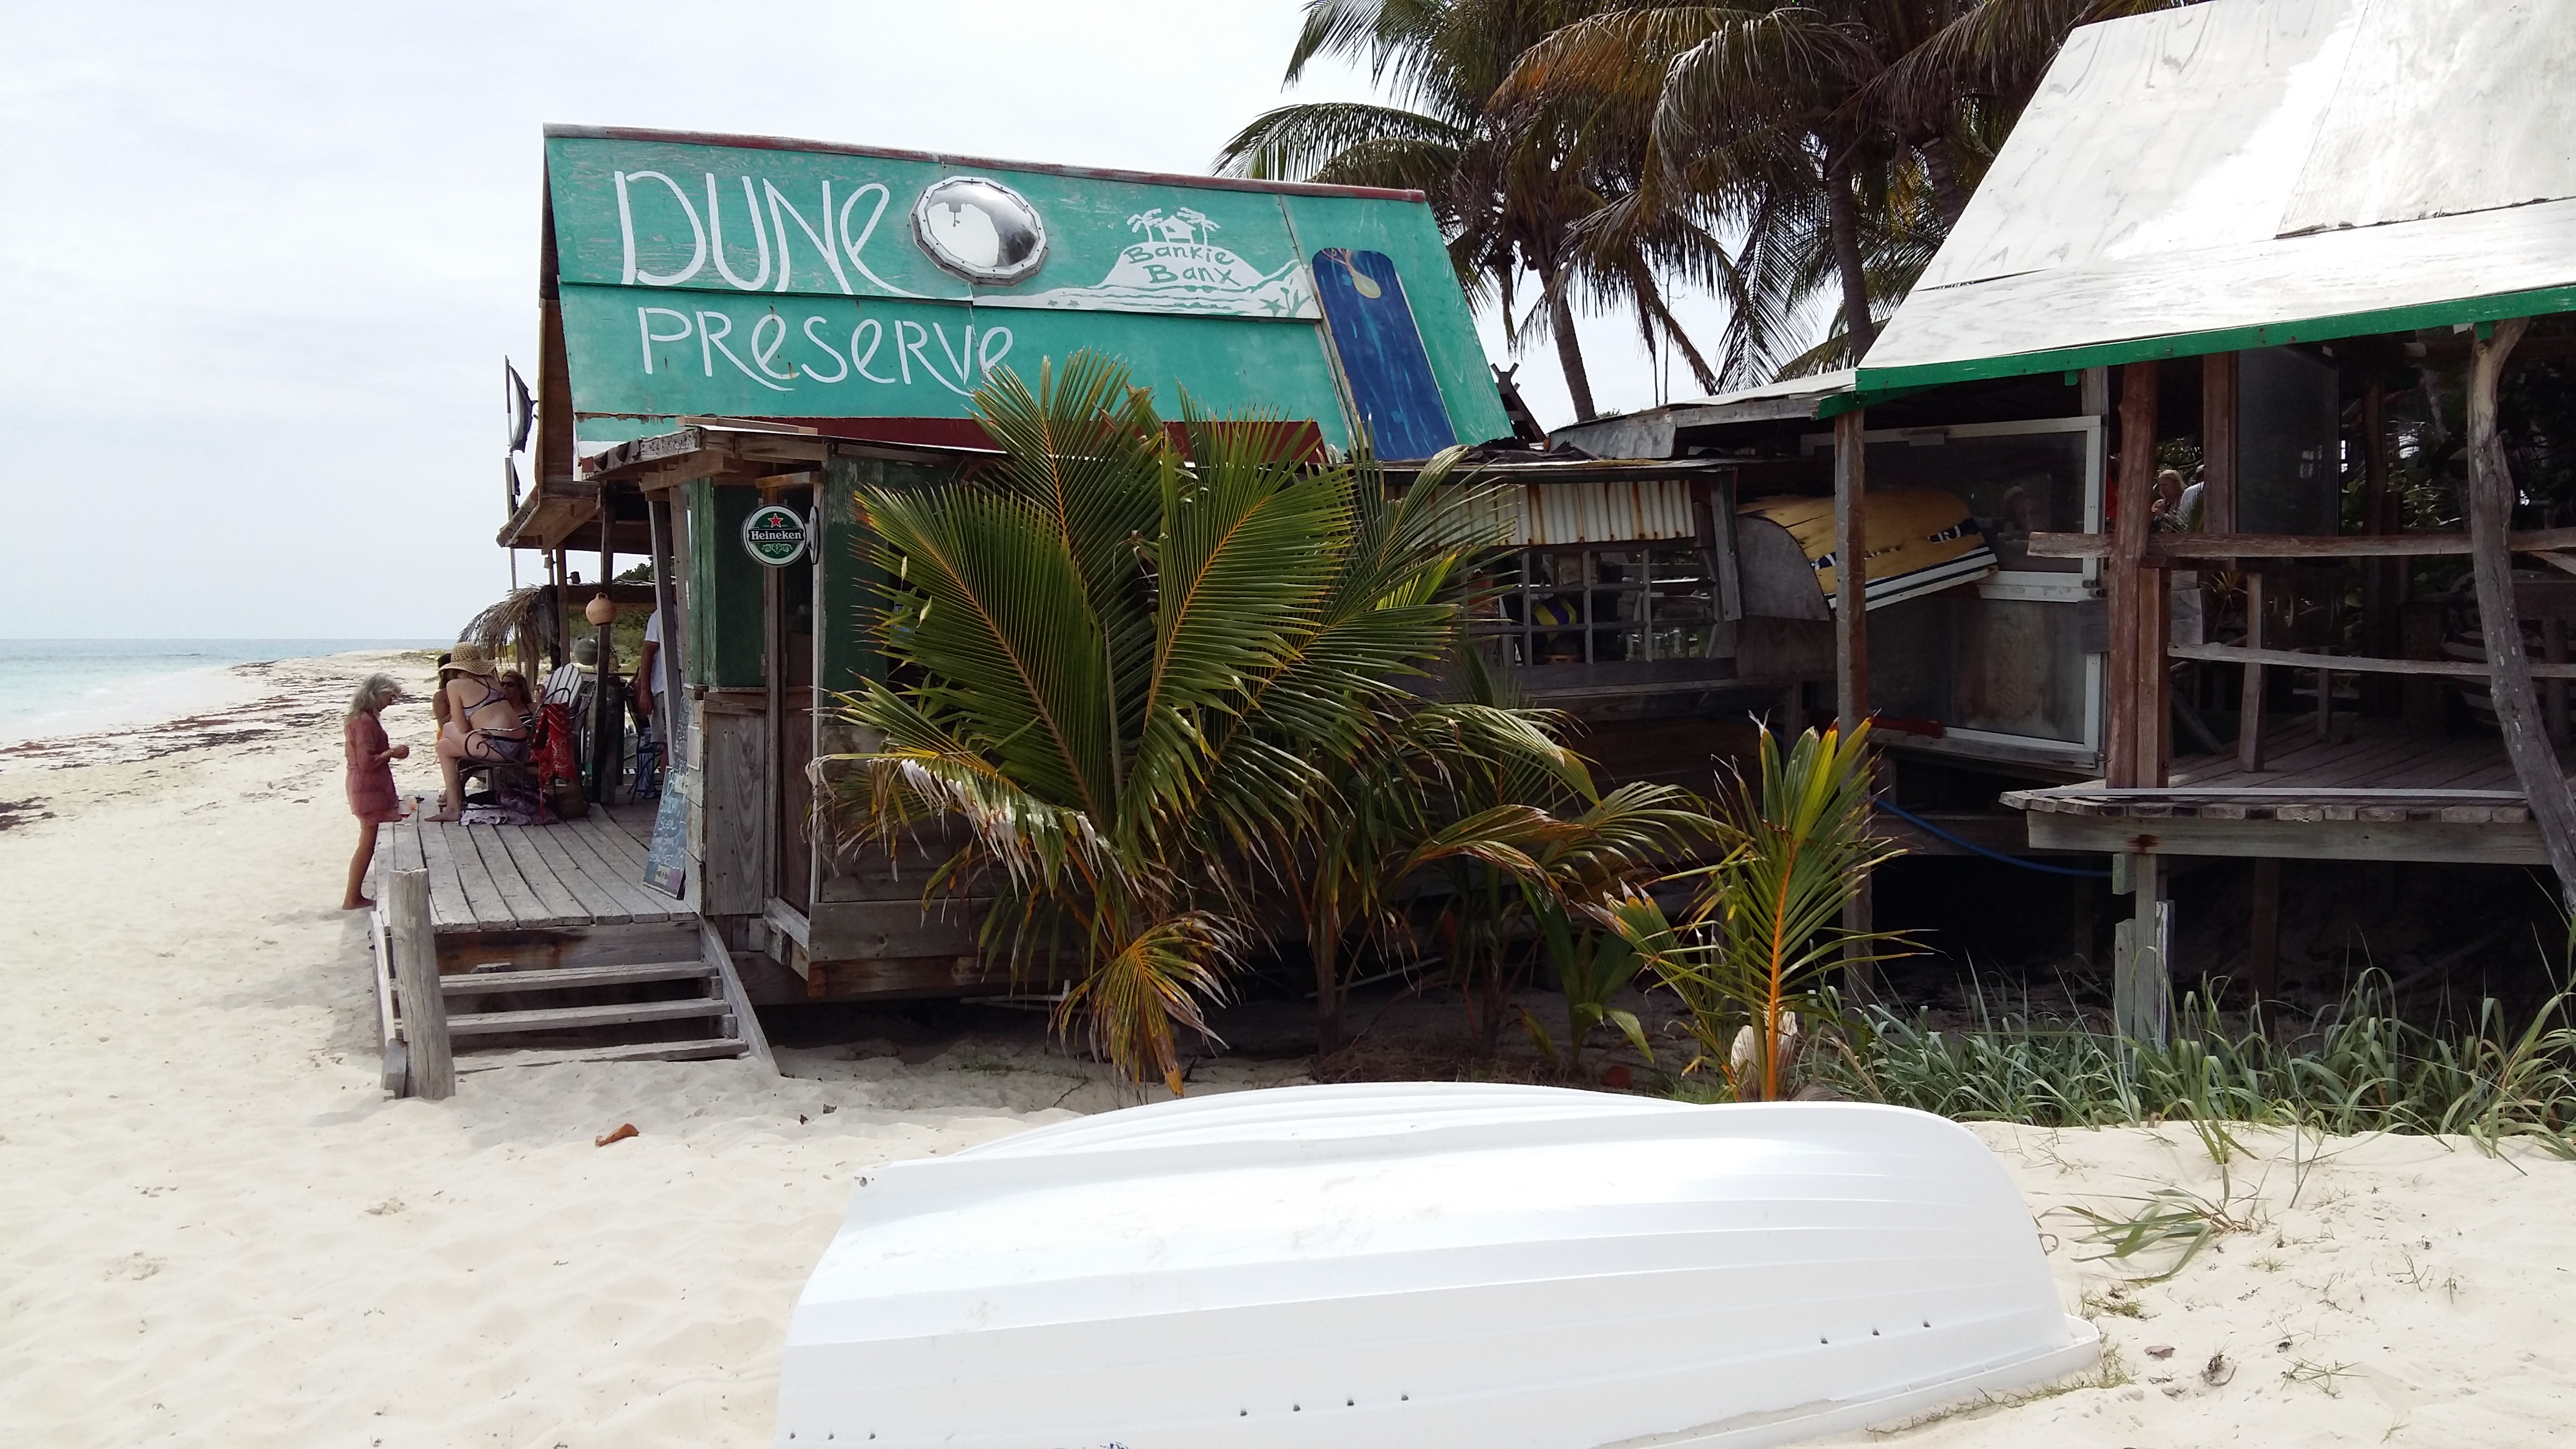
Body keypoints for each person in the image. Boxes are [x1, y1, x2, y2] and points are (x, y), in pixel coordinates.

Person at [427, 642, 532, 822]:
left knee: (448, 730)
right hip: (521, 745)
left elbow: (462, 728)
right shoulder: (493, 682)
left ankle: (453, 807)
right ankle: (453, 804)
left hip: (498, 748)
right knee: (444, 746)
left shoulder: (455, 685)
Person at [341, 673, 409, 910]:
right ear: (375, 694)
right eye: (390, 697)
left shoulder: (360, 718)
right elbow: (366, 762)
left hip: (364, 784)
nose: (391, 702)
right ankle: (352, 898)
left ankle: (354, 896)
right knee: (367, 842)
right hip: (367, 786)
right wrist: (392, 753)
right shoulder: (364, 721)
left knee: (369, 840)